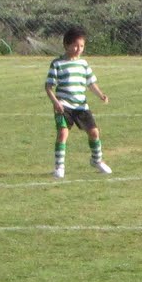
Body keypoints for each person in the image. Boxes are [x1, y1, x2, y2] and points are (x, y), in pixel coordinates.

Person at [44, 27, 111, 179]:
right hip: (63, 106)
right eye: (75, 45)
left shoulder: (83, 64)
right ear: (66, 45)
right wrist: (56, 102)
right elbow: (48, 87)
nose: (78, 49)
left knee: (94, 132)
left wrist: (101, 95)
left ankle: (97, 160)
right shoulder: (57, 64)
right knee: (63, 133)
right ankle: (59, 167)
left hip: (81, 106)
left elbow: (90, 83)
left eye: (81, 46)